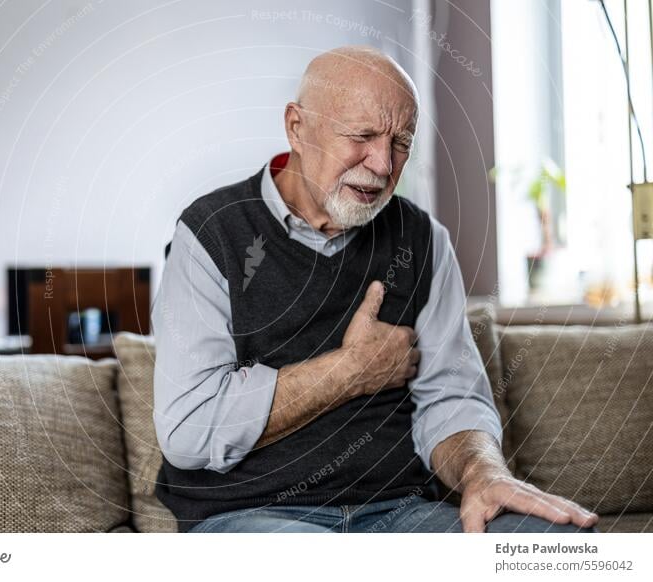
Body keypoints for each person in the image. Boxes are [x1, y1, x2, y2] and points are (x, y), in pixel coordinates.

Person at [151, 45, 599, 534]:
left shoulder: (423, 240)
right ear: (297, 128)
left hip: (403, 513)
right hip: (250, 515)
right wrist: (351, 370)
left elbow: (450, 399)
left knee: (564, 547)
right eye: (362, 136)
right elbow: (189, 430)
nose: (384, 165)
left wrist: (481, 472)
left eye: (401, 142)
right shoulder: (212, 232)